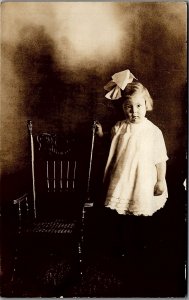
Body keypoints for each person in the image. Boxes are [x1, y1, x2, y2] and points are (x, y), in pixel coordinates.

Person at [96, 70, 168, 256]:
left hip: (142, 181)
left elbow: (160, 158)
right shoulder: (119, 127)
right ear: (123, 108)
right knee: (121, 215)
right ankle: (122, 248)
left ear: (146, 104)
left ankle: (141, 248)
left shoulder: (153, 131)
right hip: (122, 179)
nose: (134, 111)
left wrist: (160, 180)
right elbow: (110, 145)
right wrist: (101, 134)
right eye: (129, 106)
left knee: (141, 213)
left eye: (138, 105)